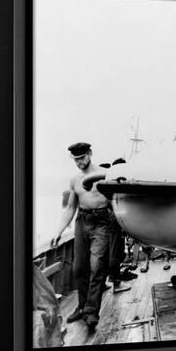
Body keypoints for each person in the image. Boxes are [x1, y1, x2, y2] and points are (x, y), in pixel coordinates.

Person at [50, 142, 124, 332]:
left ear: (90, 153)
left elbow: (117, 201)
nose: (79, 162)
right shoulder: (74, 180)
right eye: (76, 159)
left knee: (97, 267)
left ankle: (91, 313)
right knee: (79, 268)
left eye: (82, 158)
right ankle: (82, 306)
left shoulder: (105, 175)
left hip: (102, 222)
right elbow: (70, 208)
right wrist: (58, 232)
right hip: (81, 222)